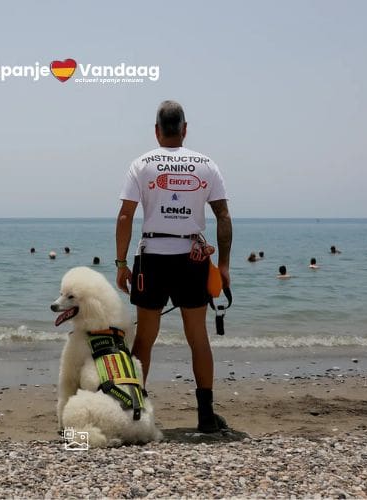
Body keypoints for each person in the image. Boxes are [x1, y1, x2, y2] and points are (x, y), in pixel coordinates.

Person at [115, 100, 232, 434]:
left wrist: (121, 263)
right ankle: (206, 417)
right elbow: (223, 216)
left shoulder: (141, 164)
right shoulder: (206, 165)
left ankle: (134, 414)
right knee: (198, 338)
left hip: (152, 256)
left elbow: (125, 215)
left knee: (145, 338)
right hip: (193, 258)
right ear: (184, 129)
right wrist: (223, 266)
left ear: (156, 130)